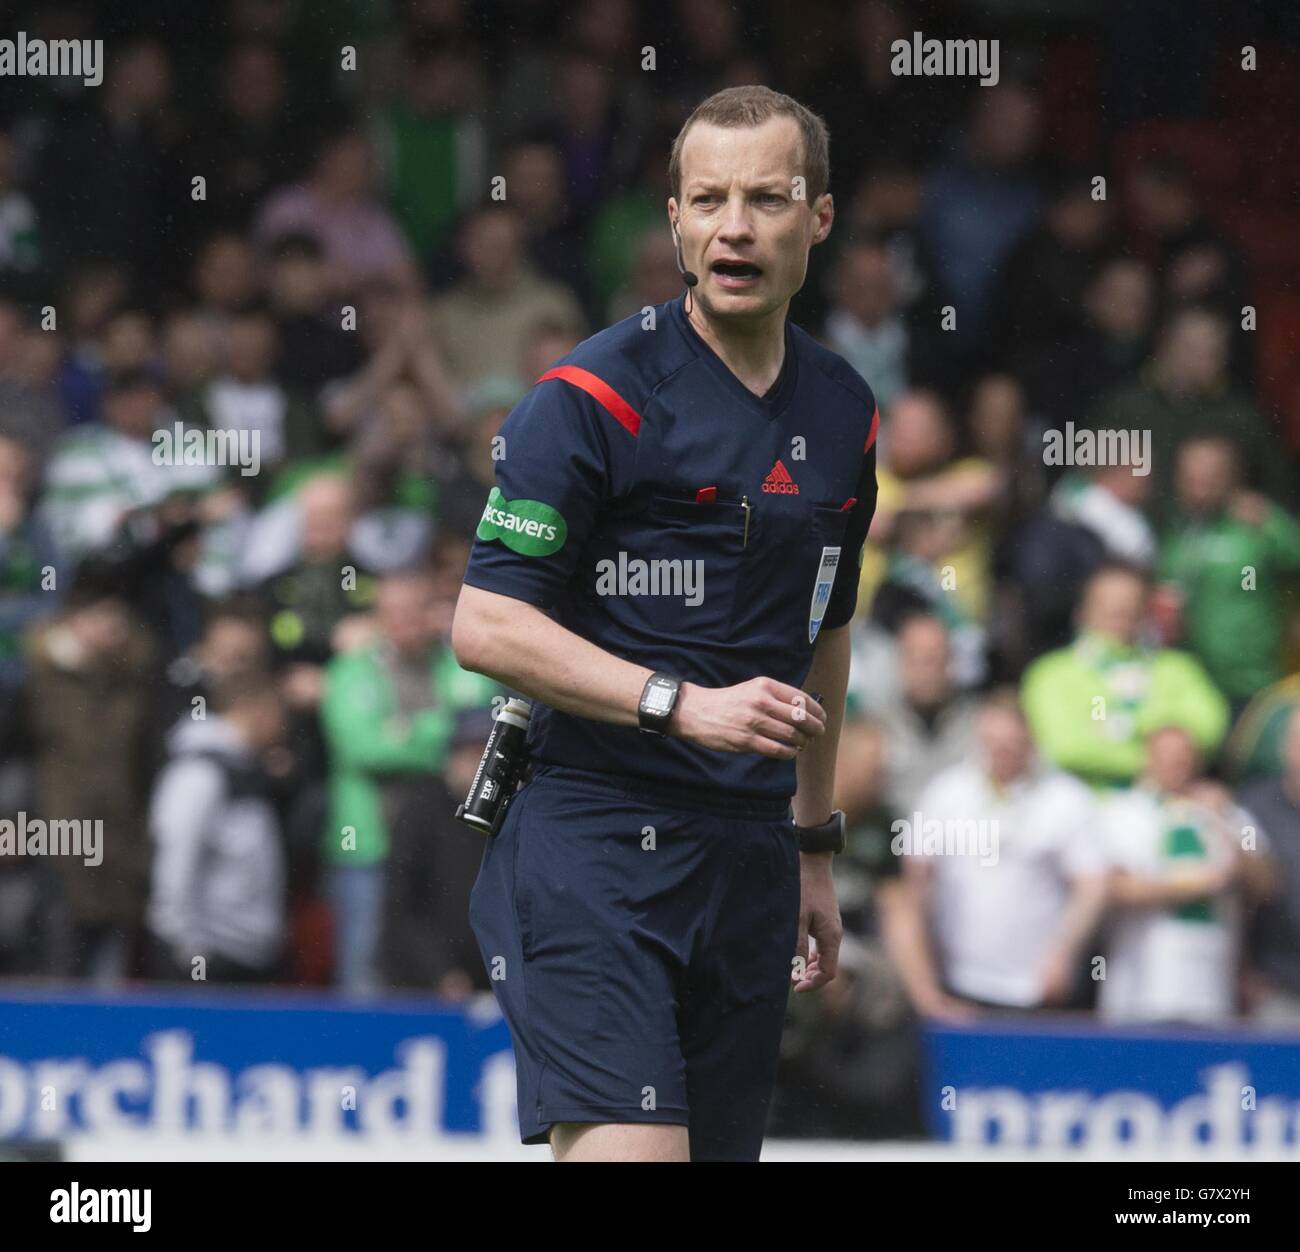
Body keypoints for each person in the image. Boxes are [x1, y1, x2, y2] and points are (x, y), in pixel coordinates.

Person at [452, 86, 879, 1162]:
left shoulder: (844, 410)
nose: (736, 225)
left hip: (747, 862)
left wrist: (813, 848)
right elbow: (488, 625)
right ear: (677, 221)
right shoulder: (589, 394)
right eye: (709, 200)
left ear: (818, 218)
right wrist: (679, 705)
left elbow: (824, 634)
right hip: (593, 838)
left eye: (768, 199)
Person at [888, 692, 1108, 1017]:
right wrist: (926, 978)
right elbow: (914, 887)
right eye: (993, 742)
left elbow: (1093, 886)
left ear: (1030, 739)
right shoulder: (945, 794)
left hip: (1039, 987)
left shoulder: (1066, 798)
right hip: (958, 981)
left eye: (1012, 743)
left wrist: (1065, 955)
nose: (1001, 753)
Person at [1098, 726, 1276, 1024]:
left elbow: (1266, 883)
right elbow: (1116, 888)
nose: (1174, 766)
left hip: (1211, 992)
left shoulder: (1227, 812)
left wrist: (1223, 821)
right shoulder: (1123, 813)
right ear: (1147, 760)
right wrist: (1197, 885)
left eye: (1183, 758)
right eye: (1165, 757)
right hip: (1141, 990)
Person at [1022, 563, 1229, 788]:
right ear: (1084, 610)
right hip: (1087, 804)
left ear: (1145, 610)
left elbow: (1209, 726)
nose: (1121, 611)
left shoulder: (1178, 668)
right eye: (1109, 604)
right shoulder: (1051, 673)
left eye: (1130, 604)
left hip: (1166, 800)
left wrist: (1122, 736)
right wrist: (1154, 755)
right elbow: (1065, 747)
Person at [147, 675, 289, 984]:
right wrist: (186, 947)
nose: (283, 726)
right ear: (256, 710)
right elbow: (175, 857)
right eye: (279, 713)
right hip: (210, 955)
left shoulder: (246, 768)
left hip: (247, 951)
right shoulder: (198, 772)